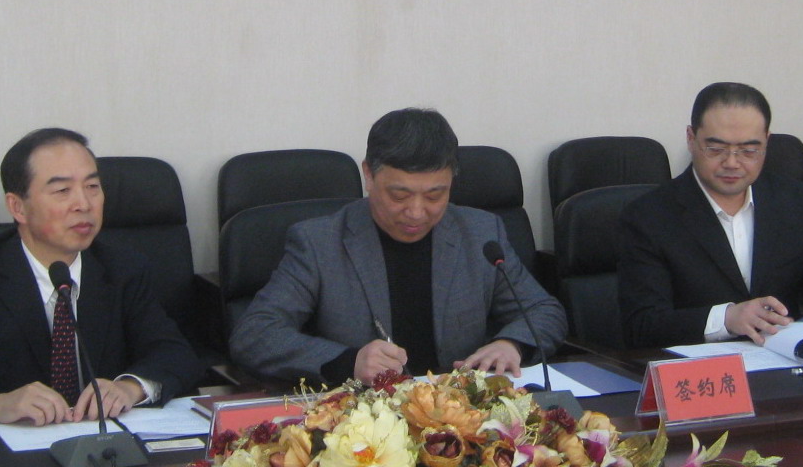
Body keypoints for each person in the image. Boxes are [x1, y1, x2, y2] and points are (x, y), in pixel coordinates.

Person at [0, 129, 203, 425]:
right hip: (11, 464)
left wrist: (129, 388)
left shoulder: (123, 269)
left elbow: (176, 355)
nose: (84, 204)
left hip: (103, 449)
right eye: (62, 191)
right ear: (18, 207)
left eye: (92, 187)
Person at [229, 108, 567, 385]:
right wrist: (348, 361)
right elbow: (255, 335)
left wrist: (512, 344)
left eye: (435, 195)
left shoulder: (480, 232)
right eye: (399, 195)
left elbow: (543, 311)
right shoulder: (320, 243)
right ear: (368, 175)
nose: (417, 212)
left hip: (459, 416)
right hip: (363, 423)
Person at [619, 82, 803, 349]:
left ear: (766, 142)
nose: (732, 162)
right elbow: (642, 326)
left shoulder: (793, 200)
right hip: (698, 367)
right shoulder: (648, 217)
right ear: (691, 138)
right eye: (716, 149)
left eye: (749, 150)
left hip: (786, 363)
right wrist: (727, 319)